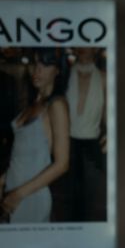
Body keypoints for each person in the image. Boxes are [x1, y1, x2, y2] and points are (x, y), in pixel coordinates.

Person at [0, 48, 70, 223]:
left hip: (30, 195)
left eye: (45, 64)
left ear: (58, 71)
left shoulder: (57, 105)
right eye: (35, 63)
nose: (37, 69)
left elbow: (62, 164)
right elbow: (23, 156)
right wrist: (2, 180)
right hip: (12, 190)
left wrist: (18, 194)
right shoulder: (34, 103)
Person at [63, 47, 107, 221]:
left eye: (88, 45)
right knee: (69, 196)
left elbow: (107, 112)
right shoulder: (65, 76)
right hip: (67, 143)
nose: (83, 49)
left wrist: (109, 132)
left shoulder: (103, 78)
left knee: (91, 196)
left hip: (92, 143)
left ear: (95, 50)